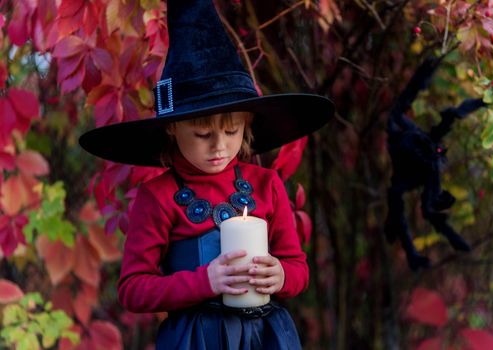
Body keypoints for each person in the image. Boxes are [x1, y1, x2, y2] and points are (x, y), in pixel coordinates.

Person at [79, 0, 334, 348]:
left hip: (267, 337)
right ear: (172, 129)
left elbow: (298, 268)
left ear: (248, 125)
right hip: (196, 338)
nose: (219, 146)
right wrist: (205, 281)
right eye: (202, 134)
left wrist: (282, 275)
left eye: (232, 132)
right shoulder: (158, 197)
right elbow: (133, 290)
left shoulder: (266, 185)